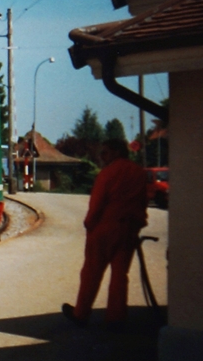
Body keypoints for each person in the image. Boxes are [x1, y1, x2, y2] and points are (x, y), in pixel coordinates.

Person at [63, 138, 148, 330]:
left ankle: (81, 313)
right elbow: (143, 202)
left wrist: (89, 224)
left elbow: (97, 204)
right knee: (120, 275)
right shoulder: (139, 173)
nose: (102, 156)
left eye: (105, 152)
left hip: (104, 228)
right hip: (129, 229)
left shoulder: (107, 174)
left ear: (116, 152)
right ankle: (116, 317)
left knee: (91, 272)